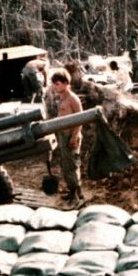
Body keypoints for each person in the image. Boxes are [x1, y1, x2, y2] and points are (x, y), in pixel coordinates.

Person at [47, 70, 85, 203]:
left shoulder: (73, 98)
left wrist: (74, 137)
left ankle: (76, 195)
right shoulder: (62, 97)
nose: (55, 87)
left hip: (71, 136)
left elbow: (81, 119)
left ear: (65, 83)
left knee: (72, 165)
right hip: (63, 135)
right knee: (67, 165)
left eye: (57, 84)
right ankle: (74, 191)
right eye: (54, 84)